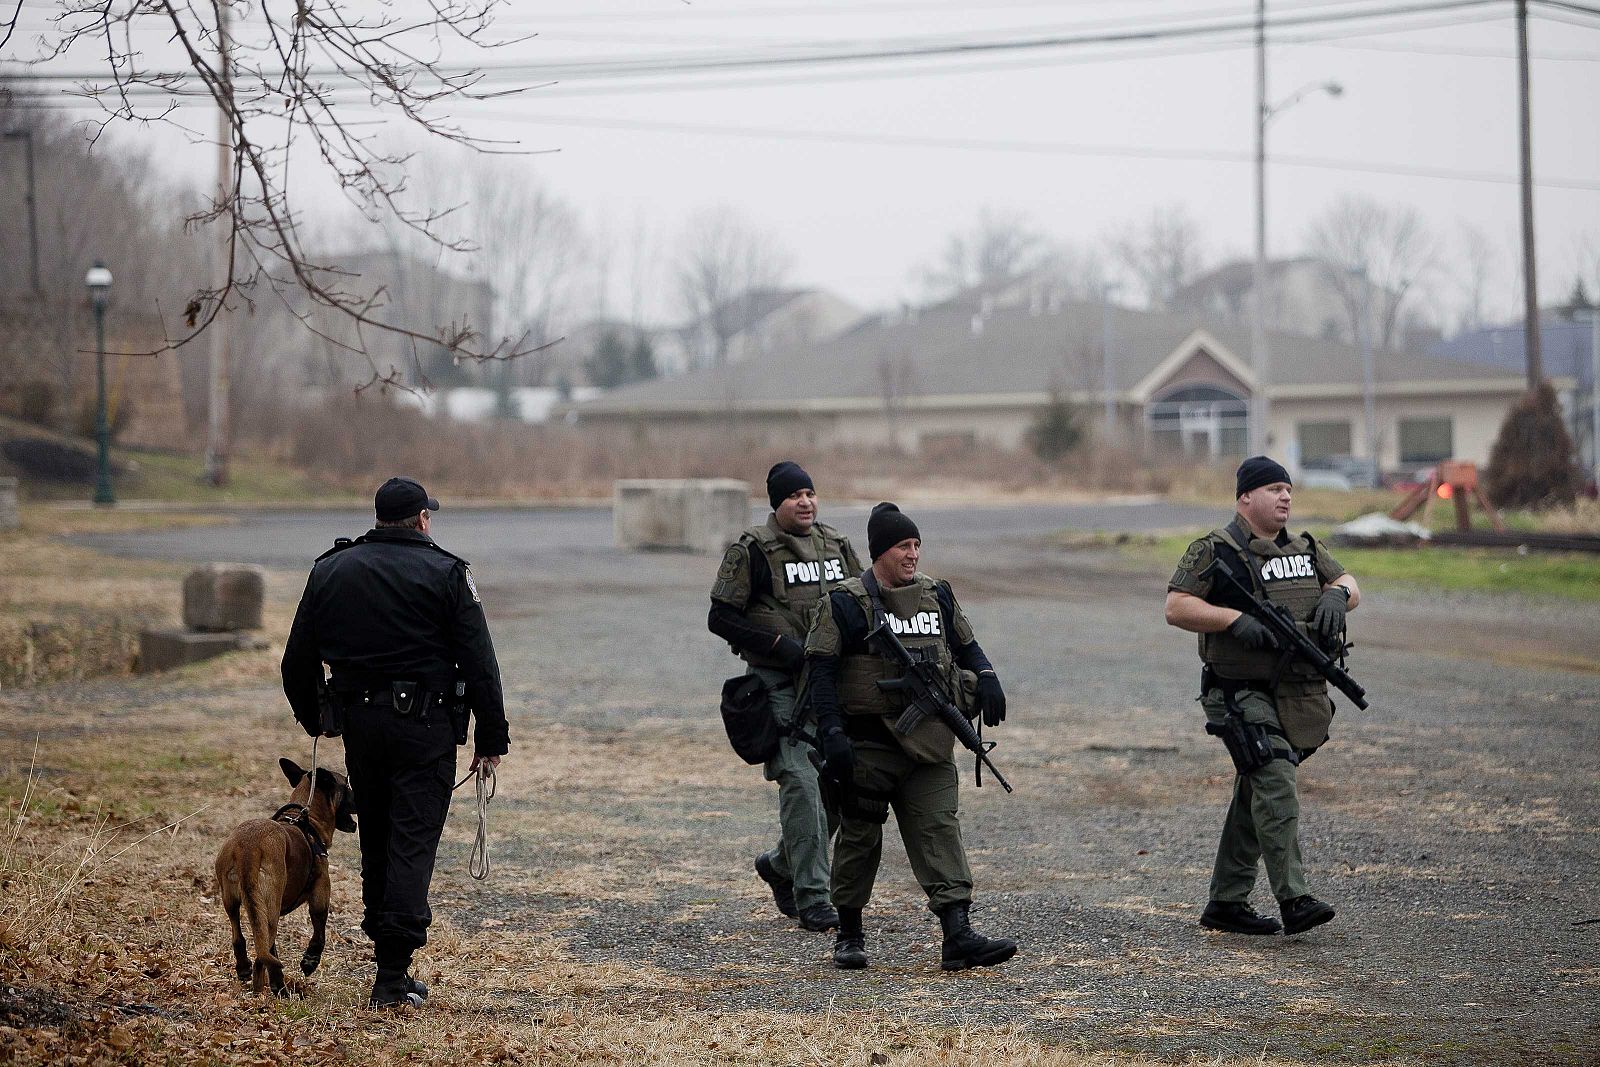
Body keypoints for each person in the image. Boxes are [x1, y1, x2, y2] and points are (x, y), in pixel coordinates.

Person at [281, 477, 510, 1007]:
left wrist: (315, 717)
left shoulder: (331, 570)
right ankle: (391, 974)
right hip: (426, 729)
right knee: (411, 842)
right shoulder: (448, 573)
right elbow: (481, 663)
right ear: (422, 519)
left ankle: (388, 956)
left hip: (362, 726)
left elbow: (296, 660)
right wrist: (490, 738)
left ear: (379, 518)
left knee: (378, 839)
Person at [805, 502, 1016, 971]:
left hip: (930, 743)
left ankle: (958, 934)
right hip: (867, 746)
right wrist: (832, 731)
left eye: (917, 545)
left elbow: (967, 645)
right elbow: (820, 673)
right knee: (859, 839)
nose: (913, 554)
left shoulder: (936, 595)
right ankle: (850, 933)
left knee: (940, 829)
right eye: (903, 545)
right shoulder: (844, 604)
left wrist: (986, 675)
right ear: (880, 551)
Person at [1164, 456, 1360, 937]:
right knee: (1274, 775)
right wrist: (1234, 620)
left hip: (1296, 690)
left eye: (1288, 489)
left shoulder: (1305, 547)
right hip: (1238, 690)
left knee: (1257, 786)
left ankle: (1227, 902)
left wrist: (1337, 596)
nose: (1285, 496)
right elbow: (1176, 606)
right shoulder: (1215, 549)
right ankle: (1294, 898)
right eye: (1274, 488)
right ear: (1245, 497)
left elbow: (1349, 583)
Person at [709, 461, 862, 933]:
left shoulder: (837, 546)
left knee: (838, 787)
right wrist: (781, 646)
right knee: (800, 781)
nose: (805, 502)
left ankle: (780, 866)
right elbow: (721, 617)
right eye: (795, 495)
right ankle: (813, 896)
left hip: (829, 686)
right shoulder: (753, 550)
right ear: (777, 503)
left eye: (810, 493)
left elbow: (863, 603)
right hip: (779, 687)